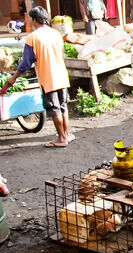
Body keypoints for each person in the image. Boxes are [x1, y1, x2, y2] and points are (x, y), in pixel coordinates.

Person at [4, 7, 72, 148]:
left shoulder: (32, 37)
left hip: (48, 77)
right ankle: (66, 135)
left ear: (34, 20)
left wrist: (14, 77)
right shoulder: (56, 33)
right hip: (61, 74)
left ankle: (61, 138)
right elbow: (62, 55)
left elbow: (26, 63)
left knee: (54, 109)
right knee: (63, 106)